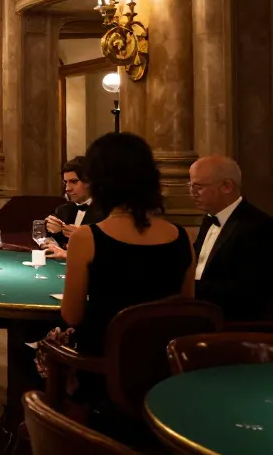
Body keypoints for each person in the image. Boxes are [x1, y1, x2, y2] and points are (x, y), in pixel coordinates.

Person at [60, 132, 195, 358]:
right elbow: (187, 305)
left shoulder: (86, 238)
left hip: (103, 366)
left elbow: (72, 315)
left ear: (98, 182)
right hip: (163, 365)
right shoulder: (182, 236)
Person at [189, 155, 273, 322]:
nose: (192, 193)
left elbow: (248, 290)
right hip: (202, 314)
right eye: (190, 186)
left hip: (233, 324)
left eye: (198, 187)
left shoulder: (258, 226)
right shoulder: (209, 219)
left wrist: (190, 289)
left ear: (227, 186)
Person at [43, 157, 104, 256]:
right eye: (65, 182)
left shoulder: (106, 213)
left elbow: (110, 251)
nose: (67, 188)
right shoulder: (62, 210)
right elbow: (45, 239)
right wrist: (51, 242)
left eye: (74, 182)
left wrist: (83, 237)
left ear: (89, 182)